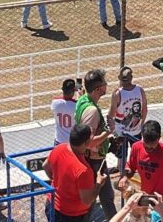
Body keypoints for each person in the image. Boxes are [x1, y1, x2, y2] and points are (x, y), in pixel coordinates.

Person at [44, 123, 109, 222]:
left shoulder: (59, 148)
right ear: (87, 143)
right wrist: (99, 183)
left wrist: (58, 182)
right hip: (71, 216)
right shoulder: (84, 170)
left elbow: (45, 166)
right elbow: (87, 200)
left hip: (52, 205)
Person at [74, 69, 116, 219]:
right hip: (95, 160)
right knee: (106, 198)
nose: (107, 85)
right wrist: (108, 132)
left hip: (92, 159)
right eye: (104, 83)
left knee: (96, 199)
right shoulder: (92, 111)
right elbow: (89, 142)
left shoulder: (83, 100)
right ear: (98, 89)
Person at [118, 120, 163, 205]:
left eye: (152, 146)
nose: (148, 148)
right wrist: (125, 177)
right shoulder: (136, 147)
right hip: (145, 197)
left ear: (159, 139)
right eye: (146, 144)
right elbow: (130, 167)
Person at [109, 66, 147, 159]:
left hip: (121, 131)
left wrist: (112, 129)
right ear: (131, 77)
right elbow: (145, 108)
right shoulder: (140, 89)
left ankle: (122, 171)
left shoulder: (117, 93)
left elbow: (111, 114)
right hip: (136, 130)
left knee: (122, 156)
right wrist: (142, 123)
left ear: (120, 79)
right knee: (137, 155)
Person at [52, 78, 78, 145]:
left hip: (59, 140)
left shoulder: (55, 102)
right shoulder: (76, 105)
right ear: (73, 91)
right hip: (72, 141)